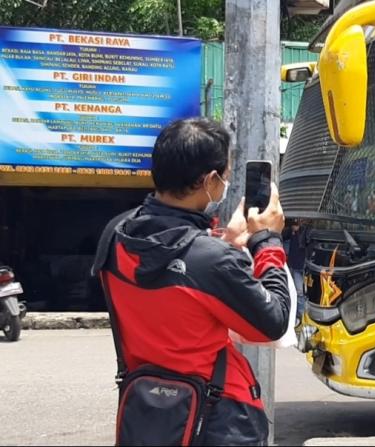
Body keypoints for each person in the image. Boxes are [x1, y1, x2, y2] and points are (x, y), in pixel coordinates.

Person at [92, 117, 290, 445]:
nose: (224, 183)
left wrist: (223, 245)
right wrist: (267, 241)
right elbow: (273, 322)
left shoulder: (116, 234)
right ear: (210, 181)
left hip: (147, 414)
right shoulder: (210, 260)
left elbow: (175, 281)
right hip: (217, 420)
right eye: (224, 177)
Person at [282, 219, 307, 326]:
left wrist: (298, 230)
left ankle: (301, 316)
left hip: (302, 265)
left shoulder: (305, 231)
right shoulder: (291, 232)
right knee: (298, 291)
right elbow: (283, 235)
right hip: (295, 265)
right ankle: (300, 316)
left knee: (300, 292)